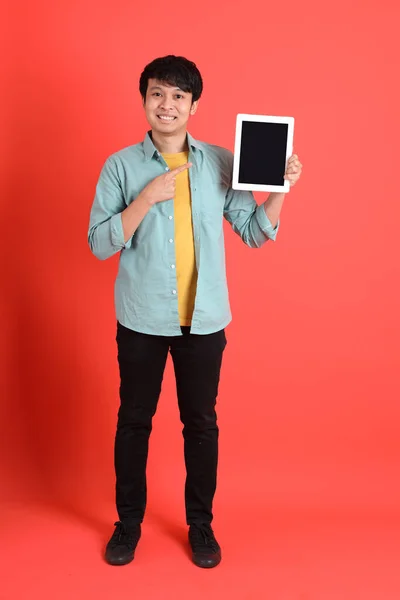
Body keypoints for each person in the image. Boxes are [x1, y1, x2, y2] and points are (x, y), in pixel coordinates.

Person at [88, 55, 303, 569]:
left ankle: (201, 526)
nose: (167, 105)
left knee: (201, 424)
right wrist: (144, 200)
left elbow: (253, 232)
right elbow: (98, 243)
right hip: (141, 318)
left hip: (203, 321)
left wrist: (278, 193)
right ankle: (128, 524)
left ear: (194, 105)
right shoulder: (121, 166)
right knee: (134, 421)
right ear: (144, 99)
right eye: (158, 94)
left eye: (178, 97)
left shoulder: (220, 162)